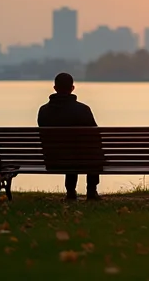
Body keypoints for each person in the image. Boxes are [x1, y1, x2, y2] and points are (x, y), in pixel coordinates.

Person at [37, 72, 100, 201]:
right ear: (72, 88)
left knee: (71, 152)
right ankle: (91, 192)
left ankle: (71, 191)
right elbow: (96, 137)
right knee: (92, 152)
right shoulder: (83, 110)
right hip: (82, 159)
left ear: (55, 88)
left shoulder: (43, 111)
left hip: (53, 160)